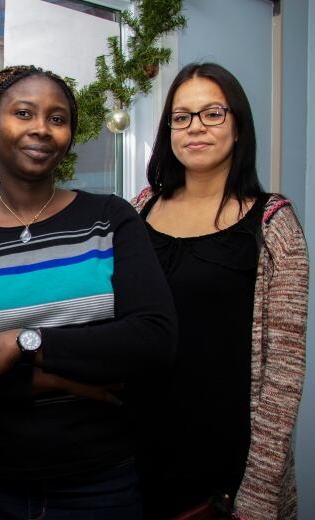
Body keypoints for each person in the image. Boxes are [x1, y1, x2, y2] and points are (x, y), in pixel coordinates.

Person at [0, 65, 177, 519]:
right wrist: (50, 379)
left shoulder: (109, 219)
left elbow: (153, 339)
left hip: (97, 484)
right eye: (24, 113)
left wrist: (19, 343)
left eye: (57, 119)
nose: (41, 128)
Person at [131, 62, 309, 520]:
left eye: (213, 113)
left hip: (227, 467)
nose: (196, 128)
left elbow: (284, 378)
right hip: (133, 455)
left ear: (238, 124)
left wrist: (259, 491)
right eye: (181, 116)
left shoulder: (274, 224)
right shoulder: (137, 212)